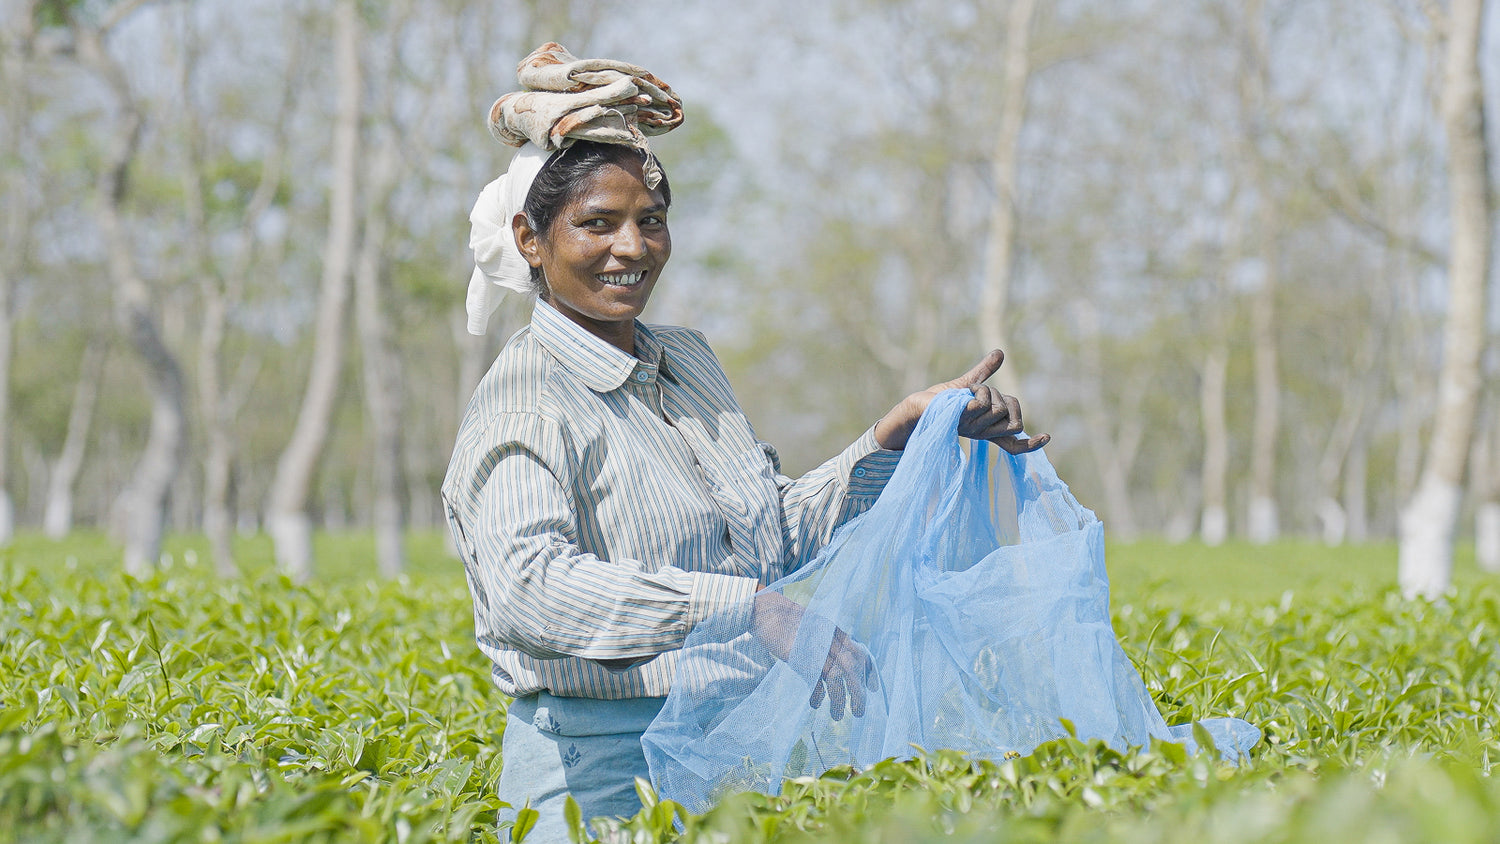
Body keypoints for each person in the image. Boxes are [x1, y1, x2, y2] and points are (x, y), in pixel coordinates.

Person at [442, 44, 1048, 843]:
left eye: (649, 222)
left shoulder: (685, 362)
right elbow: (531, 591)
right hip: (598, 777)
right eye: (597, 223)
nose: (631, 247)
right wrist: (748, 609)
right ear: (530, 238)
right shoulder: (526, 398)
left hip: (727, 759)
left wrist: (893, 436)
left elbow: (769, 537)